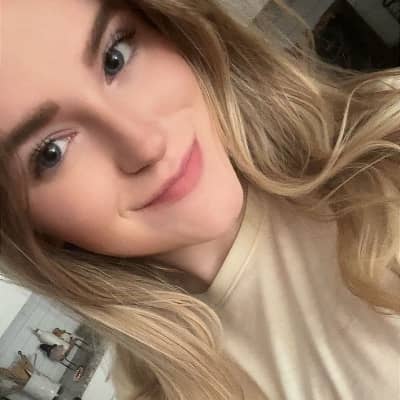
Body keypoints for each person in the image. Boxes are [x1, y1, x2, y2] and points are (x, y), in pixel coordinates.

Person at [1, 0, 400, 399]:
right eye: (51, 152)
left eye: (115, 58)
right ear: (27, 227)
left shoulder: (388, 145)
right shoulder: (160, 391)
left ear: (172, 28)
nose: (145, 144)